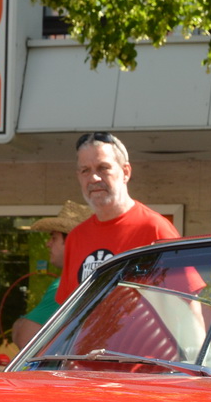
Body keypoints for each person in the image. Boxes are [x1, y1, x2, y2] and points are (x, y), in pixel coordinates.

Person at [57, 133, 180, 299]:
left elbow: (186, 302)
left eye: (103, 168)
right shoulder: (76, 238)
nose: (94, 178)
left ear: (126, 172)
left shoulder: (155, 229)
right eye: (85, 170)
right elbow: (67, 310)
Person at [12, 200, 93, 348]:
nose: (48, 244)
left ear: (72, 242)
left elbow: (25, 338)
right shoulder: (93, 280)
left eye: (54, 238)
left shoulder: (65, 285)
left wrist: (19, 323)